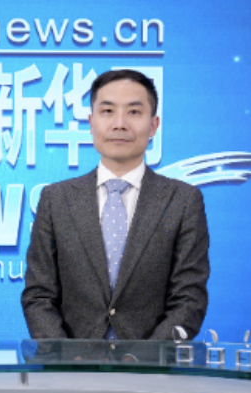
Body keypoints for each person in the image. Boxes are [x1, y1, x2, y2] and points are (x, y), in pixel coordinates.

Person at [22, 69, 209, 341]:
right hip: (71, 364)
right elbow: (38, 296)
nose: (120, 124)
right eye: (108, 111)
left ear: (154, 125)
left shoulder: (182, 201)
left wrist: (148, 357)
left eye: (134, 112)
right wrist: (64, 356)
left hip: (152, 365)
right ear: (91, 122)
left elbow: (189, 298)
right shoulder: (56, 199)